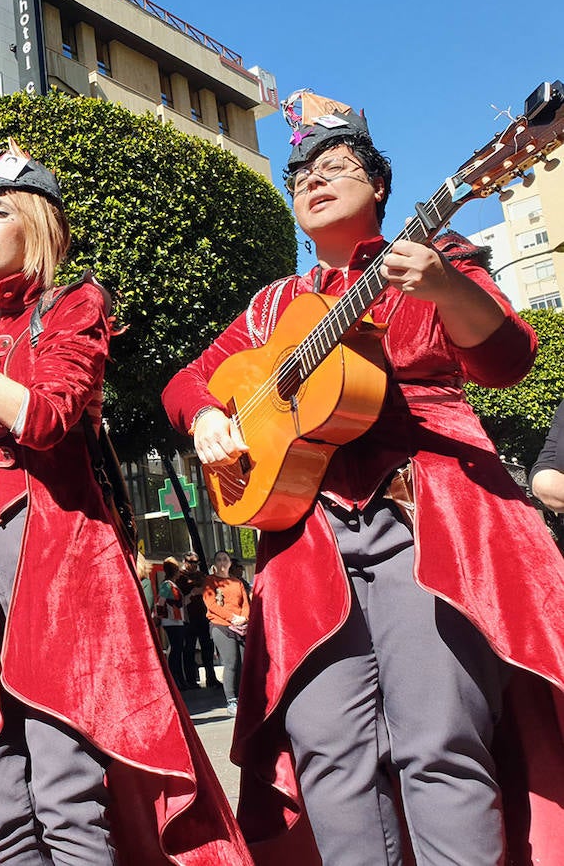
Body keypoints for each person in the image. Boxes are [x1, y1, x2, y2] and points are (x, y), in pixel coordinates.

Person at [162, 91, 564, 865]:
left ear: (380, 186)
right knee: (328, 754)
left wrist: (444, 285)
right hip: (307, 541)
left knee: (438, 740)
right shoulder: (273, 305)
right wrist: (207, 418)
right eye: (300, 174)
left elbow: (508, 358)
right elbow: (188, 382)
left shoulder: (439, 252)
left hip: (428, 522)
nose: (313, 179)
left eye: (336, 166)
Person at [0, 139, 250, 864]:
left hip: (64, 555)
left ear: (39, 227)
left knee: (65, 786)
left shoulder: (76, 303)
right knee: (3, 795)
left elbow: (45, 420)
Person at [202, 551, 247, 716]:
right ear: (215, 563)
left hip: (239, 626)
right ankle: (231, 700)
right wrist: (231, 617)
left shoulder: (237, 582)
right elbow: (212, 604)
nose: (222, 562)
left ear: (230, 563)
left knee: (242, 663)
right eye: (219, 559)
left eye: (225, 559)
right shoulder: (210, 581)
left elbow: (245, 603)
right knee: (231, 662)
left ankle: (243, 698)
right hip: (221, 625)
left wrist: (244, 617)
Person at [180, 550, 217, 690]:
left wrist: (201, 590)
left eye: (196, 562)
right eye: (191, 562)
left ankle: (211, 677)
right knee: (189, 649)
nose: (194, 565)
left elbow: (210, 588)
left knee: (207, 648)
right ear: (185, 562)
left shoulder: (201, 575)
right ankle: (190, 679)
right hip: (189, 618)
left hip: (203, 616)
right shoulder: (181, 577)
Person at [154, 557, 187, 686]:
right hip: (172, 621)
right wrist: (162, 617)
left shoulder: (170, 585)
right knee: (176, 649)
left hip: (176, 620)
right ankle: (175, 679)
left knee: (177, 649)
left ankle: (178, 679)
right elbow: (160, 603)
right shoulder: (167, 585)